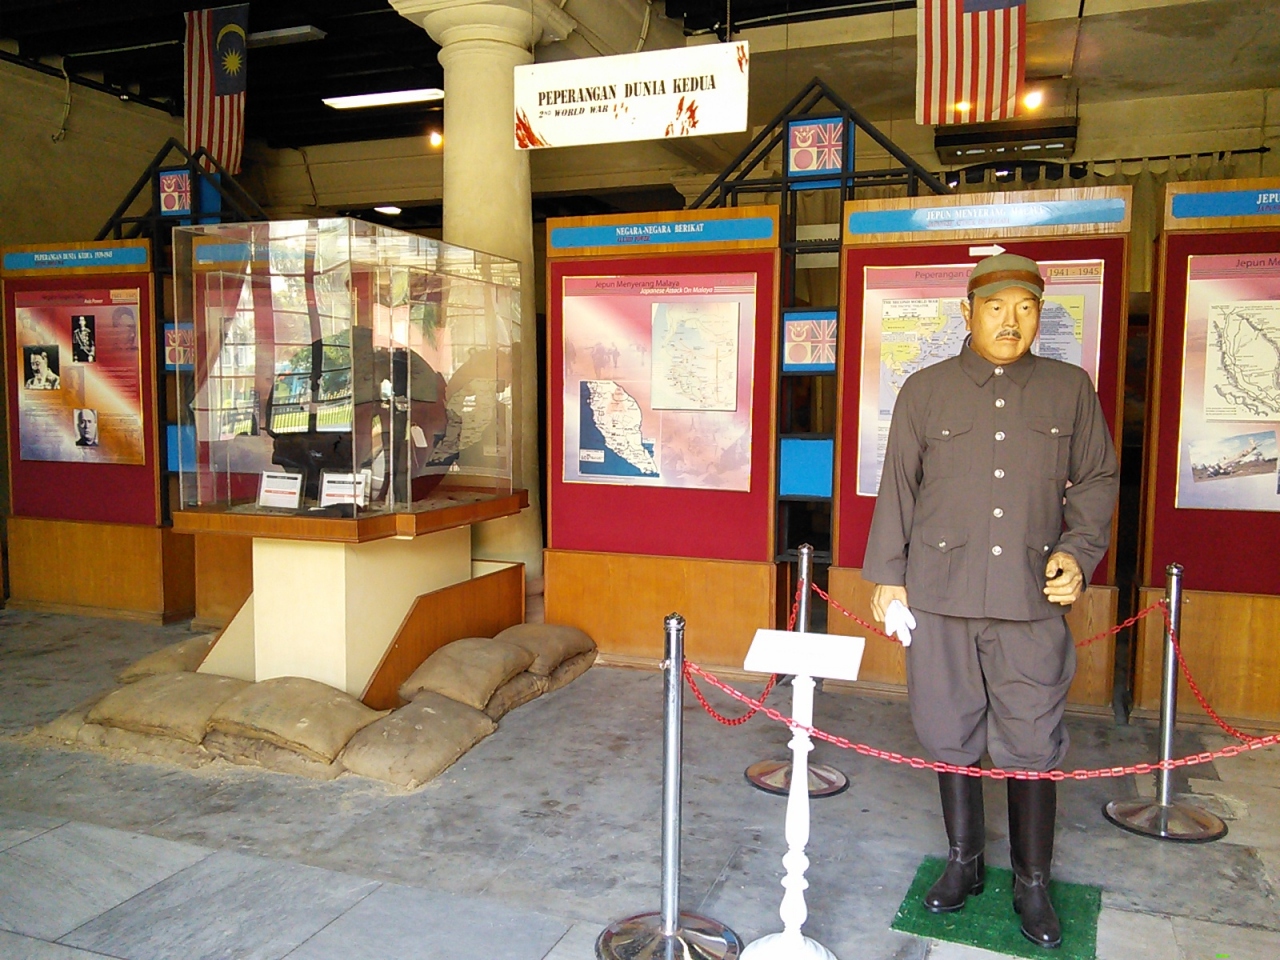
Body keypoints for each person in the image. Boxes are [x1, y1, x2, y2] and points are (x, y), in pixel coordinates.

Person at [863, 254, 1119, 949]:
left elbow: (1097, 478)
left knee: (1032, 736)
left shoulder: (1068, 389)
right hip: (940, 593)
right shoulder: (926, 391)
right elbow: (899, 487)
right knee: (947, 726)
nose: (1012, 321)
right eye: (997, 307)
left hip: (1030, 595)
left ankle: (1032, 882)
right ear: (967, 312)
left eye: (1026, 308)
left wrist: (1078, 554)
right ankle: (964, 862)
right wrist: (888, 577)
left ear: (1040, 314)